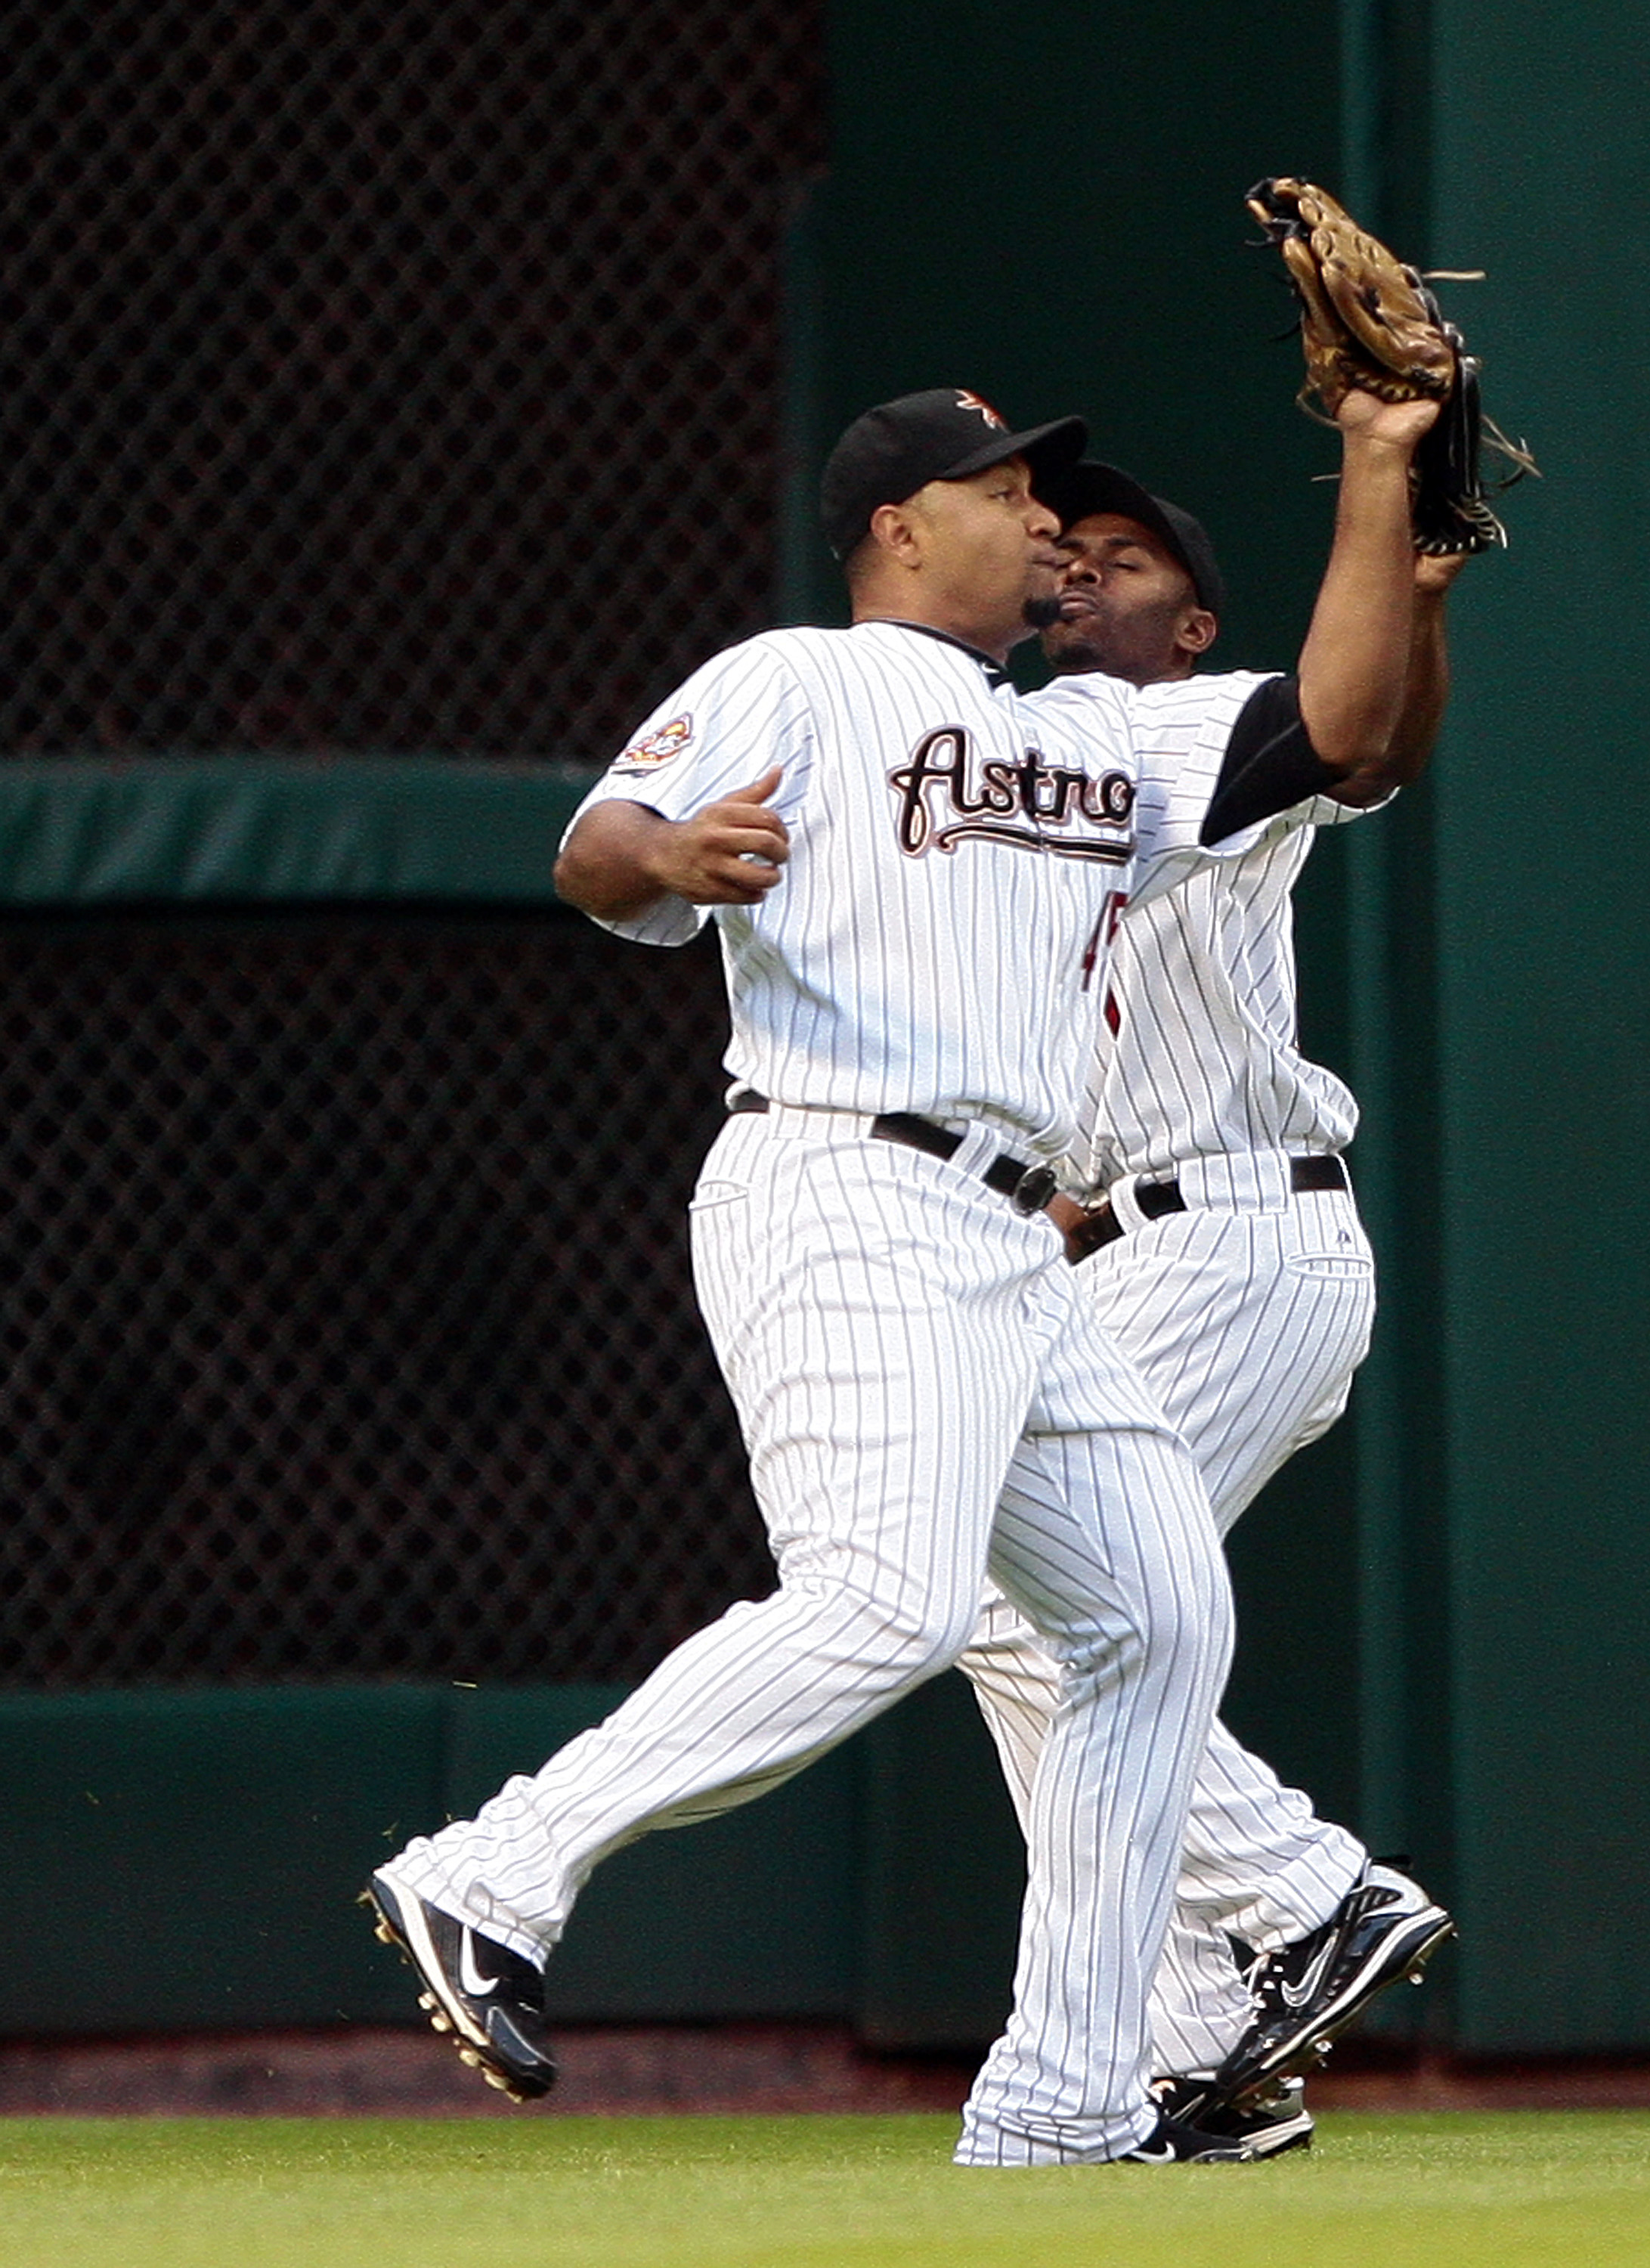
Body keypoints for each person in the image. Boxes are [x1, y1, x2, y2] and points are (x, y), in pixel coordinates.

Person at [363, 380, 1437, 2166]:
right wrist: (681, 856)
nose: (1037, 521)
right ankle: (488, 1874)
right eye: (999, 491)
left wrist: (1384, 473)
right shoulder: (795, 674)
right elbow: (595, 849)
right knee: (887, 1598)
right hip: (840, 1171)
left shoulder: (1099, 731)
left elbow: (1334, 724)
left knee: (1152, 1618)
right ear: (892, 526)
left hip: (1013, 1234)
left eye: (1037, 494)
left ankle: (1070, 2098)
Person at [957, 460, 1465, 2155]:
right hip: (1144, 1244)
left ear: (1194, 622)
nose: (1084, 574)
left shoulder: (1205, 725)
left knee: (1031, 1610)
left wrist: (1389, 518)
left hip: (1237, 1232)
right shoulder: (1028, 771)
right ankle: (1191, 2056)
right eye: (1067, 551)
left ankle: (1308, 1899)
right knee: (1050, 1635)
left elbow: (1362, 732)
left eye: (1128, 561)